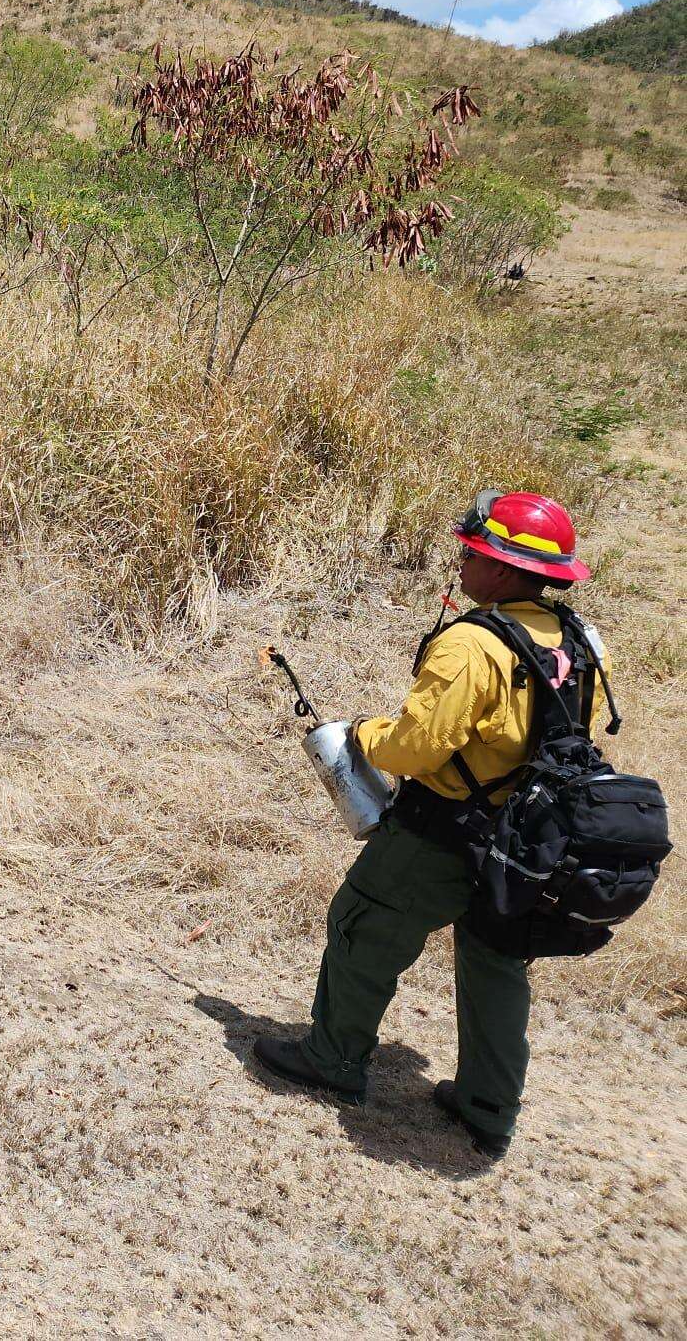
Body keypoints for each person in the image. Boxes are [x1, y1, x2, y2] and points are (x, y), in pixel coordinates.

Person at [253, 491, 605, 1158]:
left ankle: (332, 1061)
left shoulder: (472, 642)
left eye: (472, 551)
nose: (462, 561)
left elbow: (416, 749)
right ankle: (488, 1106)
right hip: (532, 839)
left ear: (502, 568)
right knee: (495, 960)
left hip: (444, 829)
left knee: (363, 924)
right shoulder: (584, 640)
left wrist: (364, 732)